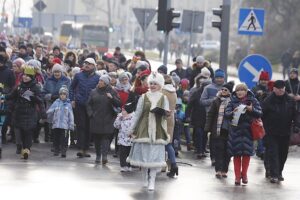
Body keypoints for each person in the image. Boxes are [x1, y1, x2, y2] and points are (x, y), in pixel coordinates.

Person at [127, 72, 170, 191]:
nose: (152, 85)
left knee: (155, 157)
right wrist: (131, 128)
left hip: (158, 130)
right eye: (151, 83)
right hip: (144, 129)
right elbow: (138, 114)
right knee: (144, 156)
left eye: (155, 83)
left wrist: (166, 114)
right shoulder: (143, 97)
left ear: (160, 85)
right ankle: (145, 178)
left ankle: (152, 180)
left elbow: (166, 115)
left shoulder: (164, 97)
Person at [225, 83, 262, 185]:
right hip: (235, 132)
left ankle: (244, 174)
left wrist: (251, 109)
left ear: (246, 92)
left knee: (246, 154)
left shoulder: (253, 100)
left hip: (248, 132)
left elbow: (259, 112)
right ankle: (237, 177)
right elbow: (227, 114)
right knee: (236, 155)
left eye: (242, 90)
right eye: (237, 90)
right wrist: (233, 112)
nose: (239, 92)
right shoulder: (232, 101)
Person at [6, 66, 46, 159]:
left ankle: (26, 150)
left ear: (31, 77)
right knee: (18, 132)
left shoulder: (36, 87)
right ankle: (19, 146)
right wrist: (4, 96)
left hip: (30, 113)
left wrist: (43, 113)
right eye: (24, 75)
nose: (25, 77)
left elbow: (40, 101)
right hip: (18, 113)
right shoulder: (19, 86)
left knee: (28, 132)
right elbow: (11, 96)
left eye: (28, 76)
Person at [262, 80, 295, 183]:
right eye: (279, 88)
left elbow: (295, 114)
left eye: (283, 88)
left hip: (285, 132)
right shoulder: (268, 100)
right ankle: (273, 174)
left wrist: (297, 125)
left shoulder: (290, 100)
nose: (281, 90)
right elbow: (262, 115)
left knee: (283, 154)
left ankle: (279, 172)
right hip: (271, 132)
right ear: (274, 89)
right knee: (273, 153)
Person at [87, 75, 121, 164]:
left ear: (106, 83)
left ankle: (104, 156)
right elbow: (88, 104)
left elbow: (118, 103)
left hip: (108, 119)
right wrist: (91, 114)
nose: (99, 82)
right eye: (99, 81)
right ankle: (98, 155)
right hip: (96, 119)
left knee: (106, 138)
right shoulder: (93, 92)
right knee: (97, 139)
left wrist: (112, 98)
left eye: (101, 81)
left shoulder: (112, 91)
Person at [69, 58, 100, 158]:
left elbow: (99, 91)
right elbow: (71, 88)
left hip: (91, 106)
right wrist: (72, 99)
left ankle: (86, 149)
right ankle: (81, 148)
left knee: (88, 128)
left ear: (94, 66)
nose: (87, 65)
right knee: (81, 126)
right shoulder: (78, 75)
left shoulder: (97, 78)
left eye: (89, 64)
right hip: (79, 104)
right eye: (85, 63)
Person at [205, 81, 234, 178]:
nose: (223, 91)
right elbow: (210, 114)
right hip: (217, 129)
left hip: (229, 130)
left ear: (229, 92)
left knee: (227, 152)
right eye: (222, 89)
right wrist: (208, 128)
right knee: (219, 150)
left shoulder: (233, 102)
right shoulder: (216, 100)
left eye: (225, 90)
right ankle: (218, 169)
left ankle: (224, 170)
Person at [201, 69, 226, 166]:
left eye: (221, 77)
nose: (219, 79)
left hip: (224, 117)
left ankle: (222, 157)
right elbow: (202, 101)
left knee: (223, 138)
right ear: (214, 78)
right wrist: (214, 100)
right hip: (212, 116)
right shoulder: (208, 88)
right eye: (217, 77)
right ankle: (213, 157)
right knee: (213, 138)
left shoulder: (227, 88)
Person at [186, 69, 212, 159]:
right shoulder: (196, 93)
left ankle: (202, 149)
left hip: (206, 118)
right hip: (197, 117)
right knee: (199, 133)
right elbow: (189, 105)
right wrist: (188, 116)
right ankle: (199, 150)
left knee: (204, 134)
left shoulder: (210, 95)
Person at [46, 86, 74, 157]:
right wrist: (45, 116)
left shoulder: (68, 104)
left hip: (65, 126)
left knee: (64, 139)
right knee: (56, 139)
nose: (62, 95)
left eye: (64, 94)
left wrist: (71, 125)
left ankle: (63, 151)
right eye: (61, 94)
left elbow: (71, 115)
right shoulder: (56, 103)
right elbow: (50, 110)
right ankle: (56, 150)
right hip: (56, 125)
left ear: (66, 95)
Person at [251, 71, 271, 159]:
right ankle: (260, 150)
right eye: (262, 80)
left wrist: (266, 94)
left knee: (266, 132)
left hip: (268, 114)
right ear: (259, 80)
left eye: (265, 80)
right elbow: (250, 98)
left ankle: (264, 150)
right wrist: (256, 94)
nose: (264, 81)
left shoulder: (270, 89)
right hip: (257, 113)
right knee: (259, 132)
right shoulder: (255, 88)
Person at [162, 74, 178, 177]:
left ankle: (165, 165)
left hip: (162, 118)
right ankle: (173, 164)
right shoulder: (174, 92)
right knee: (168, 143)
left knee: (161, 143)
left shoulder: (162, 92)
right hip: (171, 118)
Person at [113, 104, 134, 172]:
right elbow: (116, 126)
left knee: (129, 153)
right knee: (122, 153)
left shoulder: (133, 118)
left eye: (123, 110)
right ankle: (123, 165)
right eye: (122, 110)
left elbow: (135, 127)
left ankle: (129, 165)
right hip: (122, 138)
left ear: (127, 111)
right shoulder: (120, 117)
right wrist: (118, 118)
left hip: (130, 139)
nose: (122, 112)